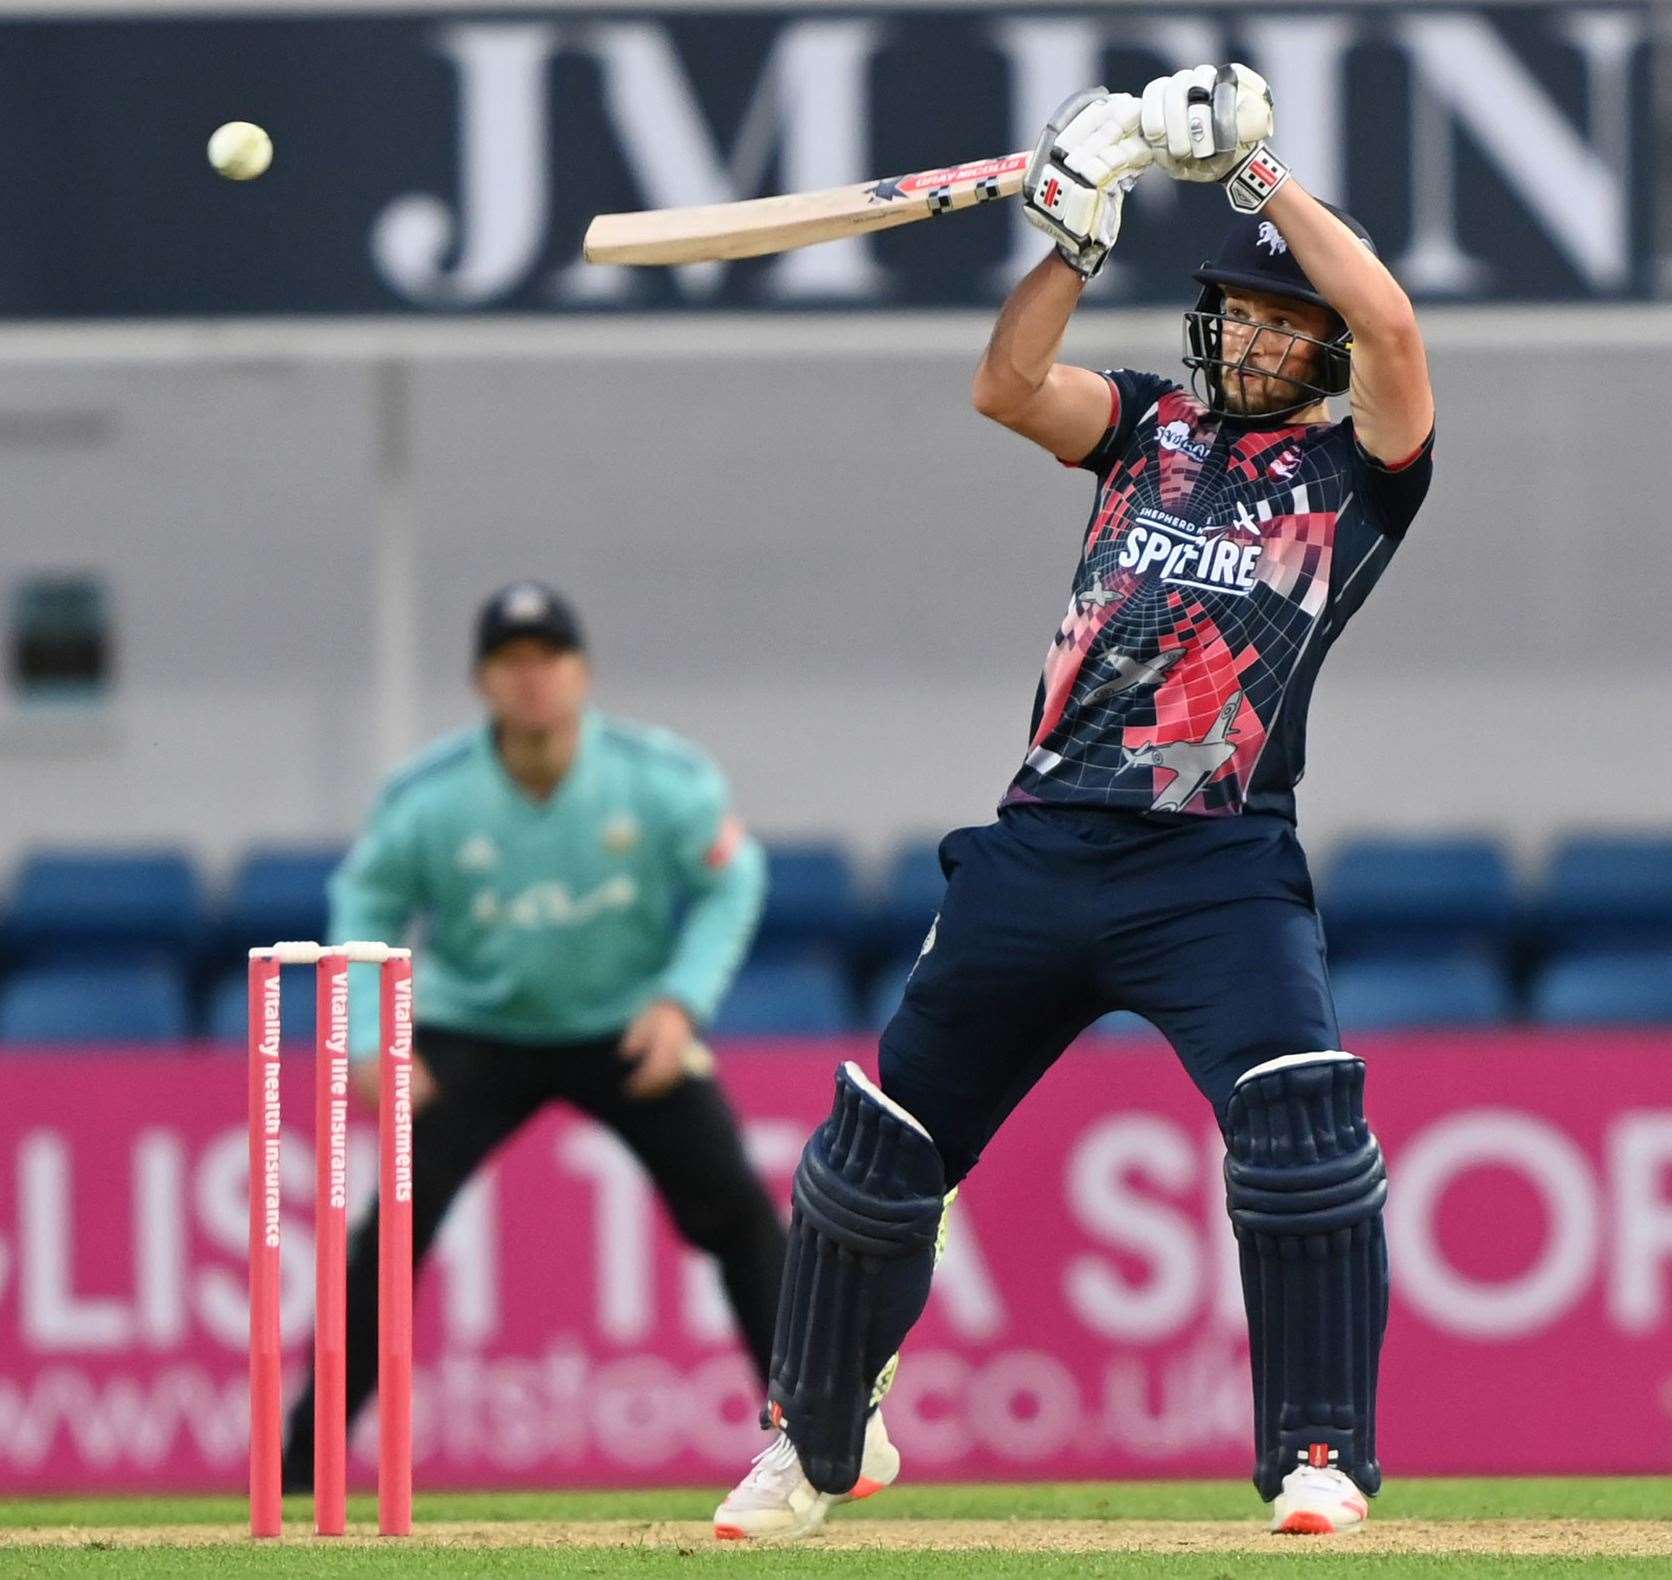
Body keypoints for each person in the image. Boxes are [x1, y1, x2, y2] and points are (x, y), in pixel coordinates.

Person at [714, 64, 1433, 1541]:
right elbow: (1005, 385)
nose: (1256, 335)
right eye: (1242, 307)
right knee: (878, 1155)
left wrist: (1256, 182)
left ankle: (1318, 1459)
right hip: (1039, 844)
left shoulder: (1359, 477)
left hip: (1217, 864)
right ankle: (813, 1440)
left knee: (1301, 1142)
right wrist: (1077, 240)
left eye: (1287, 322)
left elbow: (1398, 324)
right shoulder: (1150, 426)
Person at [281, 581, 786, 1489]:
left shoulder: (654, 779)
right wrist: (367, 1039)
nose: (532, 679)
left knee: (741, 1216)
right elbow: (366, 902)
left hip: (626, 1028)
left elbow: (732, 879)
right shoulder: (432, 800)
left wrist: (681, 1002)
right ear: (482, 681)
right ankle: (298, 1473)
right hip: (472, 1032)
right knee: (387, 1236)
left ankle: (813, 1440)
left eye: (548, 659)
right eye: (511, 663)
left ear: (581, 672)